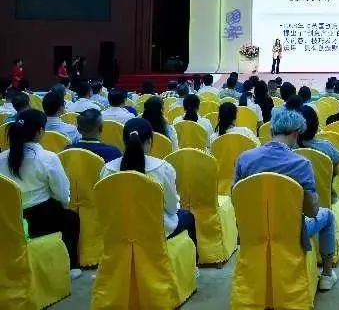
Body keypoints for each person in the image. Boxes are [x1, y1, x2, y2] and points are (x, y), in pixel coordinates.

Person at [234, 108, 338, 290]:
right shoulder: (301, 164)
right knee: (327, 215)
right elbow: (312, 211)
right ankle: (327, 275)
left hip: (253, 228)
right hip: (290, 231)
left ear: (271, 131)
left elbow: (235, 197)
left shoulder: (244, 159)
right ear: (297, 133)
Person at [0, 109, 81, 278]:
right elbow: (62, 194)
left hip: (9, 218)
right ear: (40, 131)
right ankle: (70, 266)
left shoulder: (2, 158)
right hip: (42, 218)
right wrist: (63, 203)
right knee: (71, 218)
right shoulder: (47, 157)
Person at [102, 119, 196, 249]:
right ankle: (192, 261)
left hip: (119, 230)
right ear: (149, 141)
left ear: (124, 141)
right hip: (155, 231)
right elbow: (172, 208)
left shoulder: (107, 169)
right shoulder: (163, 168)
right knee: (188, 216)